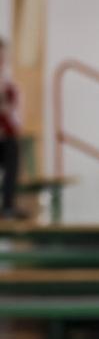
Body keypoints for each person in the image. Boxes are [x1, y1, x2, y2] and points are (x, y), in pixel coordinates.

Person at [0, 36, 23, 220]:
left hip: (5, 140)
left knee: (13, 146)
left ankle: (8, 206)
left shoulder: (8, 85)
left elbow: (13, 120)